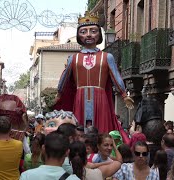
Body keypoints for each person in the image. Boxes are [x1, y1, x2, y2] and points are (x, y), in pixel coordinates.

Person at [53, 11, 133, 143]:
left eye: (93, 31)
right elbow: (64, 78)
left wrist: (125, 95)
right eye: (83, 31)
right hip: (80, 97)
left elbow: (116, 77)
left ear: (99, 34)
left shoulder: (107, 57)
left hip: (100, 98)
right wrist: (59, 95)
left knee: (100, 131)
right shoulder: (73, 58)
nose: (88, 35)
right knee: (80, 128)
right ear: (78, 35)